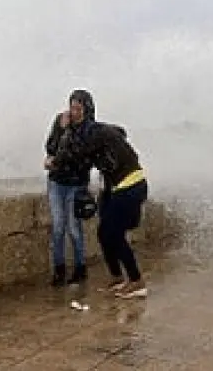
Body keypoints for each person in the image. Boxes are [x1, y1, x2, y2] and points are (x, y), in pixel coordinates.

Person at [51, 121, 149, 299]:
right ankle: (117, 278)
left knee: (114, 234)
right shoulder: (104, 139)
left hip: (131, 186)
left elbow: (75, 154)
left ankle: (136, 281)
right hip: (118, 188)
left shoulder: (97, 136)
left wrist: (55, 161)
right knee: (103, 233)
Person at [43, 90, 95, 287]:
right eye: (72, 107)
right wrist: (61, 129)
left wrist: (57, 158)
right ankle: (59, 270)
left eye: (78, 109)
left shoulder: (89, 129)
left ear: (86, 109)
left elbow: (78, 155)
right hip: (57, 182)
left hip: (76, 184)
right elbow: (50, 148)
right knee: (57, 227)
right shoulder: (61, 121)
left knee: (73, 228)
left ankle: (80, 268)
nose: (74, 113)